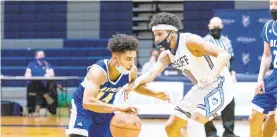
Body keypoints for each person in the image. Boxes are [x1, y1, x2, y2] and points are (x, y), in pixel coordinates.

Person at [126, 12, 234, 137]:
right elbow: (150, 74)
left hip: (220, 83)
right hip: (202, 87)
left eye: (160, 34)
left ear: (172, 32)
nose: (156, 39)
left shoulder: (190, 41)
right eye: (155, 35)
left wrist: (211, 76)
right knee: (171, 127)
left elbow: (224, 54)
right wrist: (135, 83)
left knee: (195, 121)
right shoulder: (166, 55)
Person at [65, 34, 169, 137]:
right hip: (83, 108)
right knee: (78, 135)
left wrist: (155, 94)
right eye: (128, 59)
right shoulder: (98, 71)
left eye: (133, 59)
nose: (132, 63)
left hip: (105, 109)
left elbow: (135, 86)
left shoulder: (131, 71)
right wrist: (120, 108)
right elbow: (87, 102)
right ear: (115, 57)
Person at [203, 17, 239, 137]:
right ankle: (211, 134)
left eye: (218, 27)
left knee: (229, 104)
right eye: (213, 27)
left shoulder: (226, 41)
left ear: (222, 27)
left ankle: (228, 133)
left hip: (226, 77)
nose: (216, 29)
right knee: (208, 106)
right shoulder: (204, 41)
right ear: (209, 27)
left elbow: (232, 58)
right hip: (210, 77)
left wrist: (233, 73)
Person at [249, 0, 277, 137]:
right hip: (273, 78)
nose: (273, 7)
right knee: (254, 117)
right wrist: (260, 79)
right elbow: (267, 55)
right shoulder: (268, 27)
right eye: (271, 4)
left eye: (276, 4)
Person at [24, 50, 57, 115]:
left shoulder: (47, 65)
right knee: (36, 84)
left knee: (38, 87)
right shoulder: (31, 64)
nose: (42, 56)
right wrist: (28, 75)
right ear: (36, 57)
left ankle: (37, 108)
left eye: (43, 55)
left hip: (44, 85)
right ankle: (46, 95)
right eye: (40, 55)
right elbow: (27, 73)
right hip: (33, 84)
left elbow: (52, 74)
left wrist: (48, 75)